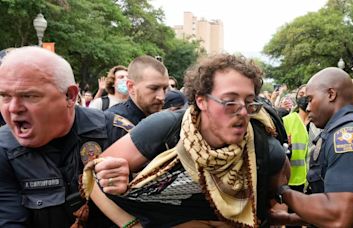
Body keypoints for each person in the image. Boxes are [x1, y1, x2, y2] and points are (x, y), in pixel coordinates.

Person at [89, 54, 291, 227]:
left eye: (249, 102)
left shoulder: (265, 150)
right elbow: (94, 178)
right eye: (229, 101)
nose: (243, 112)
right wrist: (133, 224)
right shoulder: (163, 129)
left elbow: (276, 201)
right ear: (201, 100)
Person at [0, 46, 132, 227]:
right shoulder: (3, 149)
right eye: (4, 96)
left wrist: (132, 184)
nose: (13, 108)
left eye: (29, 96)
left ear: (70, 96)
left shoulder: (117, 133)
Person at [271, 67, 353, 227]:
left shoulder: (348, 135)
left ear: (331, 94)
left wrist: (282, 190)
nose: (308, 107)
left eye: (310, 99)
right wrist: (290, 219)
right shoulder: (344, 130)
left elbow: (340, 217)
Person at [107, 55, 170, 125]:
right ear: (131, 86)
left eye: (165, 89)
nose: (162, 97)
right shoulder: (112, 123)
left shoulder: (165, 121)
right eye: (153, 88)